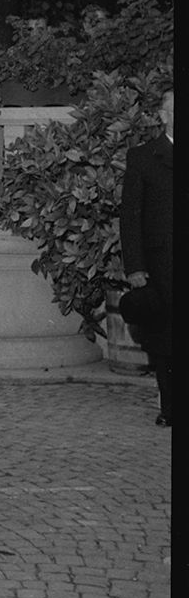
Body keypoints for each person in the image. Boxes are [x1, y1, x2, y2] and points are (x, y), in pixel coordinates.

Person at [119, 88, 173, 427]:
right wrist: (135, 267)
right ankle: (170, 408)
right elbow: (131, 217)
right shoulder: (143, 157)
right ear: (164, 116)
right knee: (167, 340)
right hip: (164, 267)